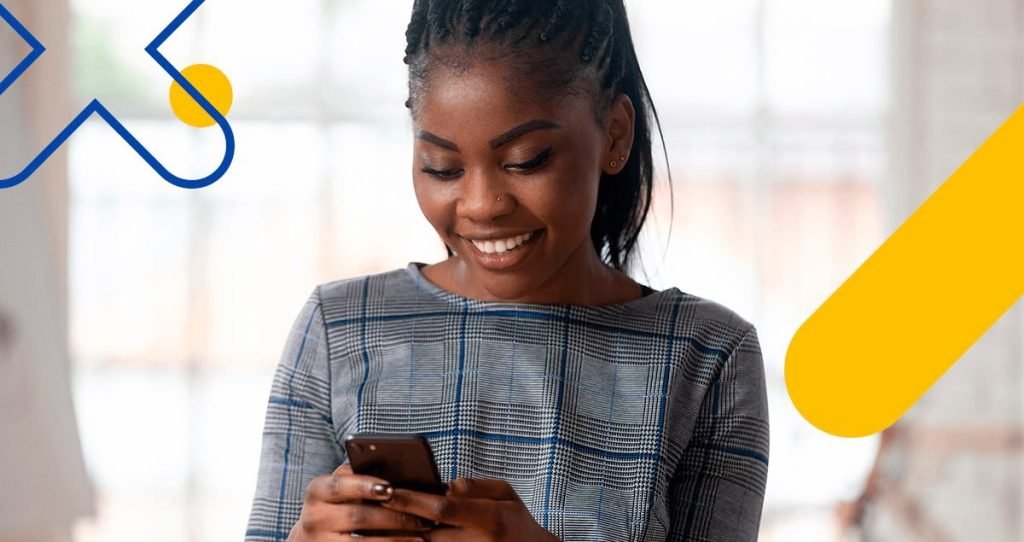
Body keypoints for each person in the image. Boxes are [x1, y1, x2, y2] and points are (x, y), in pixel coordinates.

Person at [245, 1, 769, 540]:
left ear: (614, 134)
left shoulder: (708, 355)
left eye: (526, 160)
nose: (481, 205)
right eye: (441, 168)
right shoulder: (338, 329)